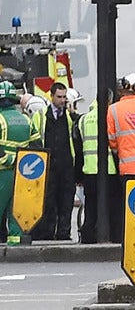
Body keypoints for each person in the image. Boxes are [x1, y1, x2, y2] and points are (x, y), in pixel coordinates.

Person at [31, 82, 78, 240]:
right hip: (48, 165)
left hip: (65, 166)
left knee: (66, 201)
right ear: (51, 96)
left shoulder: (69, 116)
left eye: (64, 97)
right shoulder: (42, 115)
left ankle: (64, 233)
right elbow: (35, 138)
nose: (62, 100)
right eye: (59, 97)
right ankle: (47, 233)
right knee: (49, 201)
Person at [74, 94, 123, 243]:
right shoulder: (111, 118)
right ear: (109, 100)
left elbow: (78, 148)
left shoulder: (83, 119)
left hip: (89, 170)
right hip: (110, 170)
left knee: (91, 209)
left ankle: (88, 238)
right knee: (114, 208)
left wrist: (78, 175)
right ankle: (115, 237)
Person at [0, 81, 42, 245]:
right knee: (16, 212)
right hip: (23, 174)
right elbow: (37, 147)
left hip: (3, 172)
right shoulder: (27, 120)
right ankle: (15, 244)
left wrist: (9, 160)